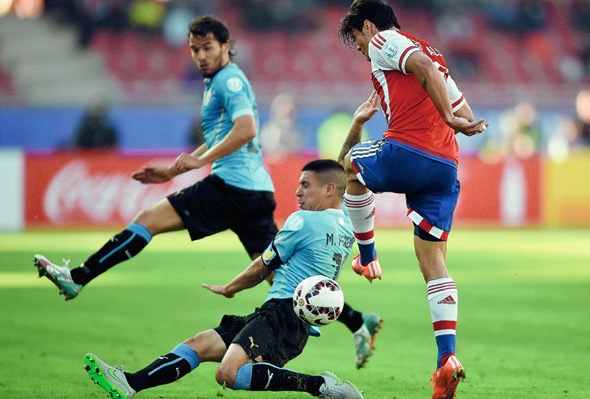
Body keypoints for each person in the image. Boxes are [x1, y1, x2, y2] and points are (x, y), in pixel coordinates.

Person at [34, 15, 380, 369]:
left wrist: (199, 163)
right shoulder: (218, 82)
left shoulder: (228, 81)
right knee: (277, 271)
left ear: (227, 47)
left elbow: (245, 130)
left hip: (232, 186)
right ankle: (354, 321)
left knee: (148, 220)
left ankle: (79, 277)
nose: (201, 55)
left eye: (208, 48)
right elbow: (222, 138)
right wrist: (173, 169)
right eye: (194, 49)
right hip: (254, 192)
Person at [82, 160, 363, 399]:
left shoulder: (304, 221)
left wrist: (231, 287)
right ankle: (131, 384)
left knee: (228, 374)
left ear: (328, 189)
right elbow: (342, 168)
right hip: (288, 315)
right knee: (200, 344)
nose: (297, 191)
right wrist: (358, 124)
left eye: (305, 185)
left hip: (283, 313)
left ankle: (320, 385)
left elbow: (263, 265)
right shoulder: (347, 224)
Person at [337, 1, 487, 398]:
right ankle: (446, 361)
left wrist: (451, 120)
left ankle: (367, 257)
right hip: (444, 167)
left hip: (408, 150)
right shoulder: (434, 51)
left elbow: (421, 69)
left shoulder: (386, 40)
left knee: (347, 168)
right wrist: (459, 122)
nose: (360, 51)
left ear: (368, 26)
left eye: (356, 42)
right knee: (433, 261)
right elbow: (462, 107)